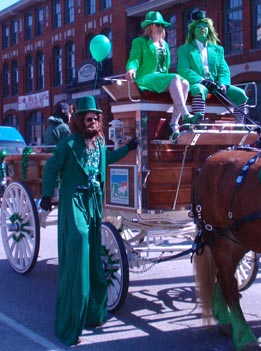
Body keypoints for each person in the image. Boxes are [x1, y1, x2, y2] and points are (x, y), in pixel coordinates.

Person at [39, 95, 138, 346]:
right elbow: (51, 168)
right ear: (79, 120)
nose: (93, 121)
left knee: (94, 255)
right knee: (81, 244)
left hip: (94, 201)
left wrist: (129, 148)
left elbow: (108, 160)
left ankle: (94, 314)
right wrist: (47, 195)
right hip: (74, 201)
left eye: (95, 117)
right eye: (88, 117)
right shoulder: (69, 144)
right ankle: (70, 321)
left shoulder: (100, 143)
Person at [125, 11, 201, 142]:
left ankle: (174, 124)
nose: (160, 27)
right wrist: (131, 68)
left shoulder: (165, 45)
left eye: (162, 25)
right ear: (150, 27)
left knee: (185, 84)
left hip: (161, 78)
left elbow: (165, 68)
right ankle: (185, 115)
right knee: (175, 78)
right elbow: (134, 59)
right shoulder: (140, 42)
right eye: (157, 24)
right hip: (146, 77)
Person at [177, 10, 248, 124]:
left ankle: (240, 124)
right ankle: (199, 123)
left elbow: (223, 70)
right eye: (199, 26)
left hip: (216, 85)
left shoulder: (218, 50)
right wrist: (201, 80)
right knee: (200, 89)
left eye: (205, 26)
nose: (203, 28)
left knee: (241, 94)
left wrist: (223, 84)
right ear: (193, 31)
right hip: (197, 84)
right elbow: (183, 69)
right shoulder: (185, 49)